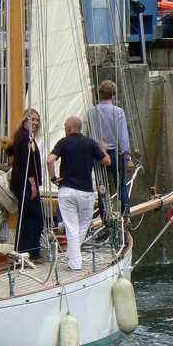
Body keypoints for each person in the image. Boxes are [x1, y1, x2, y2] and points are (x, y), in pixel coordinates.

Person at [47, 116, 110, 272]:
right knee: (83, 225)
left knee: (71, 227)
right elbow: (107, 161)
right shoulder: (90, 143)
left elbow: (50, 160)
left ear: (68, 128)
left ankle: (74, 260)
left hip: (66, 190)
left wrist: (53, 178)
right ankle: (74, 260)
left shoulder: (63, 142)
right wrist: (103, 151)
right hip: (86, 192)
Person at [86, 80, 134, 219]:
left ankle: (105, 220)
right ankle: (126, 217)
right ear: (113, 95)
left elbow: (90, 133)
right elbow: (122, 136)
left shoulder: (91, 112)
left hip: (98, 153)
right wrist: (128, 158)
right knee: (121, 185)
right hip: (115, 153)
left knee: (102, 187)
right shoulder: (118, 111)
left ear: (100, 94)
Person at [8, 109, 44, 261]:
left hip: (22, 184)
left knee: (27, 219)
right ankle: (32, 253)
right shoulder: (25, 137)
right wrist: (33, 185)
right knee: (37, 219)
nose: (35, 123)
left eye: (37, 120)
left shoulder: (22, 136)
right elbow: (26, 162)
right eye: (32, 119)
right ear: (25, 120)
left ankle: (22, 252)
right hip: (26, 186)